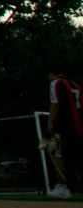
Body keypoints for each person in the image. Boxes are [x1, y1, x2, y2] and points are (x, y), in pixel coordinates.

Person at [48, 69, 83, 198]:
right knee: (76, 156)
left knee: (59, 154)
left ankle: (63, 186)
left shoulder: (56, 83)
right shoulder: (75, 85)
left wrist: (50, 121)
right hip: (78, 126)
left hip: (66, 125)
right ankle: (72, 185)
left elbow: (55, 103)